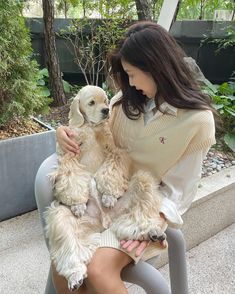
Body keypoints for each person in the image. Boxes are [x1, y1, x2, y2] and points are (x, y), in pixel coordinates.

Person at [35, 21, 216, 294]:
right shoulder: (123, 101)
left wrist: (154, 221)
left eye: (132, 74)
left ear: (156, 66)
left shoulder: (197, 121)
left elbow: (181, 189)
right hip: (100, 198)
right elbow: (91, 135)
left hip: (140, 208)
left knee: (96, 268)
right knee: (64, 264)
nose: (129, 82)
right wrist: (63, 133)